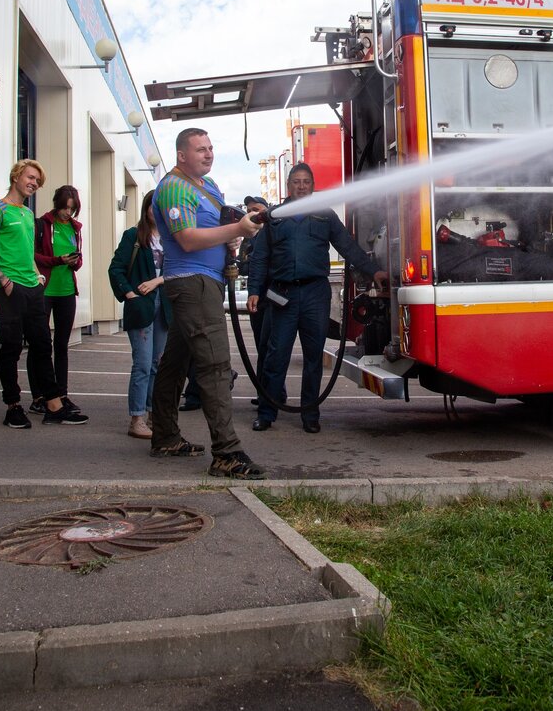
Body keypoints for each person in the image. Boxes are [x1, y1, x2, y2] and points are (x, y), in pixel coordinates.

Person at [149, 127, 265, 479]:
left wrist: (240, 224)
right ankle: (227, 453)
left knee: (174, 364)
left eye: (211, 148)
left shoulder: (208, 187)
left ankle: (166, 437)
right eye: (200, 149)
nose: (209, 154)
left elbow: (217, 224)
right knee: (214, 366)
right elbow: (185, 239)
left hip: (208, 282)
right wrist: (237, 232)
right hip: (191, 283)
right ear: (182, 155)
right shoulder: (172, 187)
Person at [247, 162, 387, 434]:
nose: (301, 186)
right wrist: (254, 290)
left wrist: (373, 271)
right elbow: (260, 257)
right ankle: (266, 412)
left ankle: (310, 415)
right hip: (282, 295)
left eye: (306, 182)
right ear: (288, 186)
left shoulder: (325, 215)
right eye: (296, 182)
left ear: (312, 186)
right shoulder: (274, 216)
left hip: (315, 294)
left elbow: (347, 246)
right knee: (276, 357)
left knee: (313, 357)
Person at [0, 160, 88, 428]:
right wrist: (3, 279)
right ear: (16, 176)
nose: (33, 183)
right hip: (7, 288)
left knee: (42, 345)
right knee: (12, 347)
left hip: (32, 286)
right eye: (30, 177)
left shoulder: (28, 214)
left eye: (37, 181)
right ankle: (13, 406)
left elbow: (28, 252)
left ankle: (53, 404)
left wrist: (37, 275)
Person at [109, 189, 171, 439]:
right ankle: (137, 418)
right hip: (141, 307)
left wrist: (158, 282)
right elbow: (116, 269)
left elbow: (179, 271)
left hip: (164, 307)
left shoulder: (173, 239)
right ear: (146, 209)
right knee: (143, 364)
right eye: (152, 206)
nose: (156, 211)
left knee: (159, 364)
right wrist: (129, 294)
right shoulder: (134, 236)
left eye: (161, 206)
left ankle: (153, 413)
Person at [30, 184, 82, 412]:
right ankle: (39, 396)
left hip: (67, 291)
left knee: (62, 345)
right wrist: (58, 260)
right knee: (40, 345)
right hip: (45, 290)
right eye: (64, 208)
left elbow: (78, 263)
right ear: (57, 204)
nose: (67, 213)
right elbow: (34, 256)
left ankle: (61, 393)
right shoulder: (42, 224)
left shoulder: (74, 228)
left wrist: (74, 261)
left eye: (71, 209)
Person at [240, 195, 282, 409]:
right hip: (258, 299)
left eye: (257, 209)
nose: (253, 214)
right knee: (261, 346)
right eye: (249, 210)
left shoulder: (276, 231)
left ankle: (274, 393)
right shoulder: (248, 238)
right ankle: (265, 392)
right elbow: (244, 267)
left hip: (275, 298)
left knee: (273, 348)